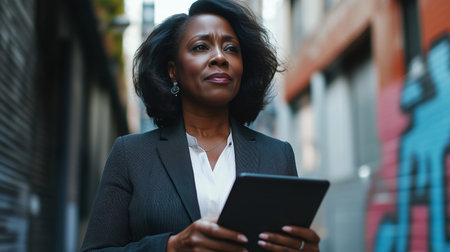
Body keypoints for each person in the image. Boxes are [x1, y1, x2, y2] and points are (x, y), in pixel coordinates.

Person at [81, 0, 321, 251]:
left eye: (231, 48)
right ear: (172, 71)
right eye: (200, 47)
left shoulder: (278, 155)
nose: (220, 57)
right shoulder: (131, 155)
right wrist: (172, 246)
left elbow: (294, 241)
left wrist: (308, 249)